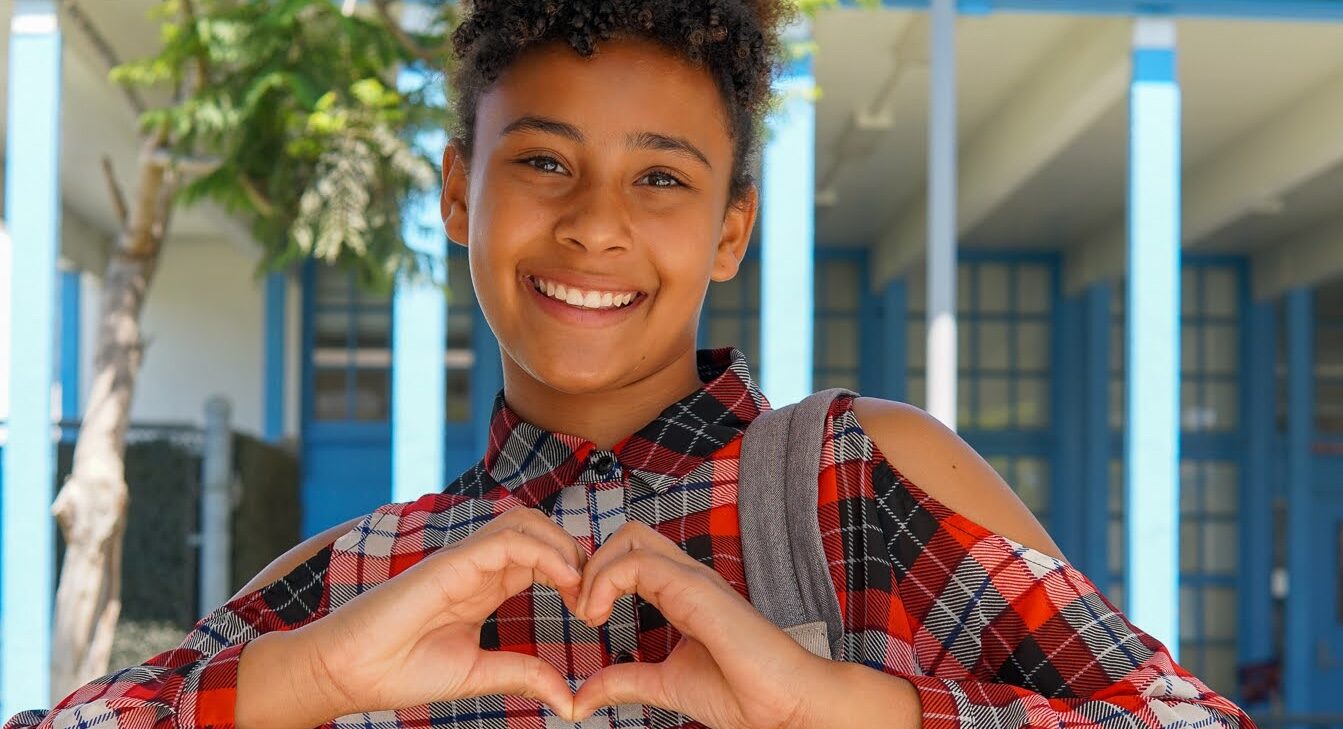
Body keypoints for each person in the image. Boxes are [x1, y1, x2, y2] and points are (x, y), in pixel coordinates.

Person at [6, 1, 1255, 728]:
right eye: (543, 161)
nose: (596, 223)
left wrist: (849, 709)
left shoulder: (858, 480)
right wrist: (306, 678)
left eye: (660, 176)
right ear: (456, 192)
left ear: (730, 227)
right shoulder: (365, 574)